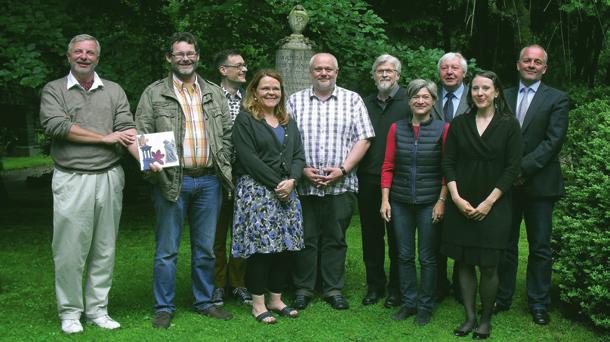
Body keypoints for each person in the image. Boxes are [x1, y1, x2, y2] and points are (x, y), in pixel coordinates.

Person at [39, 34, 138, 334]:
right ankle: (70, 312)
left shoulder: (114, 90)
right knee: (69, 249)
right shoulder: (55, 89)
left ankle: (98, 309)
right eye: (78, 52)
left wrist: (148, 161)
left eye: (90, 52)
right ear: (69, 56)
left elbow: (126, 128)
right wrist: (104, 137)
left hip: (109, 175)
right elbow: (57, 126)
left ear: (98, 57)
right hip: (72, 177)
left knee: (104, 248)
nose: (84, 56)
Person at [135, 32, 234, 329]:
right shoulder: (154, 93)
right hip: (171, 181)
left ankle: (205, 302)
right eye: (179, 54)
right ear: (169, 58)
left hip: (209, 181)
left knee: (205, 248)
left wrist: (224, 163)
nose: (185, 58)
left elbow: (227, 134)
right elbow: (143, 130)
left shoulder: (214, 92)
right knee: (167, 250)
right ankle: (163, 307)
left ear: (198, 56)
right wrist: (154, 170)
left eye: (190, 53)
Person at [289, 53, 375, 310]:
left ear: (337, 72)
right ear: (311, 72)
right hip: (305, 184)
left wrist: (343, 169)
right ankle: (304, 288)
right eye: (318, 69)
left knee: (335, 237)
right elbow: (287, 139)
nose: (323, 73)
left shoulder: (352, 100)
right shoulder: (295, 101)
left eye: (328, 69)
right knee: (306, 236)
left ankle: (332, 288)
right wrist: (302, 169)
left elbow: (365, 139)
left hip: (341, 184)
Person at [442, 70, 523, 339]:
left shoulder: (509, 124)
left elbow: (512, 168)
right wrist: (455, 198)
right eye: (475, 88)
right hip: (461, 202)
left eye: (486, 88)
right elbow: (448, 162)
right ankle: (469, 317)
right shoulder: (459, 123)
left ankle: (486, 320)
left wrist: (489, 202)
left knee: (489, 264)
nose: (480, 93)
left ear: (496, 92)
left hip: (495, 205)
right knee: (463, 262)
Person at [495, 44, 569, 325]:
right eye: (527, 60)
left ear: (545, 68)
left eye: (537, 62)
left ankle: (538, 302)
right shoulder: (504, 97)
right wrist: (509, 173)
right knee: (506, 243)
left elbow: (553, 141)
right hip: (507, 186)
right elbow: (497, 136)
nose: (532, 65)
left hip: (541, 184)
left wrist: (520, 169)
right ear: (518, 64)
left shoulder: (558, 99)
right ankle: (502, 296)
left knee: (540, 247)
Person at [231, 69, 306, 324]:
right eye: (265, 88)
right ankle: (258, 304)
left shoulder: (287, 120)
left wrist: (293, 181)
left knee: (285, 248)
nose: (271, 93)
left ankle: (276, 299)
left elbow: (298, 155)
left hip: (287, 192)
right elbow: (248, 159)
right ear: (254, 91)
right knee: (262, 250)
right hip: (258, 193)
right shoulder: (245, 120)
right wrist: (279, 184)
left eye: (276, 88)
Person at [380, 79, 449, 325]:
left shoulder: (443, 129)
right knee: (404, 255)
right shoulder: (396, 129)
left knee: (428, 257)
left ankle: (425, 306)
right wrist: (385, 200)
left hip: (430, 201)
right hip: (399, 202)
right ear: (409, 101)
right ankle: (409, 303)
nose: (420, 101)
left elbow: (447, 170)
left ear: (433, 101)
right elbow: (388, 166)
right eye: (415, 97)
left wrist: (442, 201)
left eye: (426, 97)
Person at [357, 54, 408, 308]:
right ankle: (375, 285)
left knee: (398, 237)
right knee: (371, 236)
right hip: (367, 180)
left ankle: (397, 288)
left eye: (390, 71)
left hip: (399, 181)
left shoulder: (410, 100)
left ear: (398, 75)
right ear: (373, 75)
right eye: (380, 71)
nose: (385, 75)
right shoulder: (362, 103)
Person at [210, 49, 251, 306]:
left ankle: (238, 283)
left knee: (241, 231)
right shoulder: (210, 97)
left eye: (245, 65)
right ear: (223, 70)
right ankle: (216, 284)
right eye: (238, 66)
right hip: (215, 173)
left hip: (244, 173)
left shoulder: (251, 99)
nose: (244, 69)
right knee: (216, 232)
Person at [432, 52, 470, 303]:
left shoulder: (476, 96)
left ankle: (460, 283)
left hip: (466, 174)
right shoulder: (429, 96)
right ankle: (437, 285)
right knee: (434, 234)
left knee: (460, 232)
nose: (449, 72)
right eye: (444, 67)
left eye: (454, 68)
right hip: (432, 174)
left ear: (463, 73)